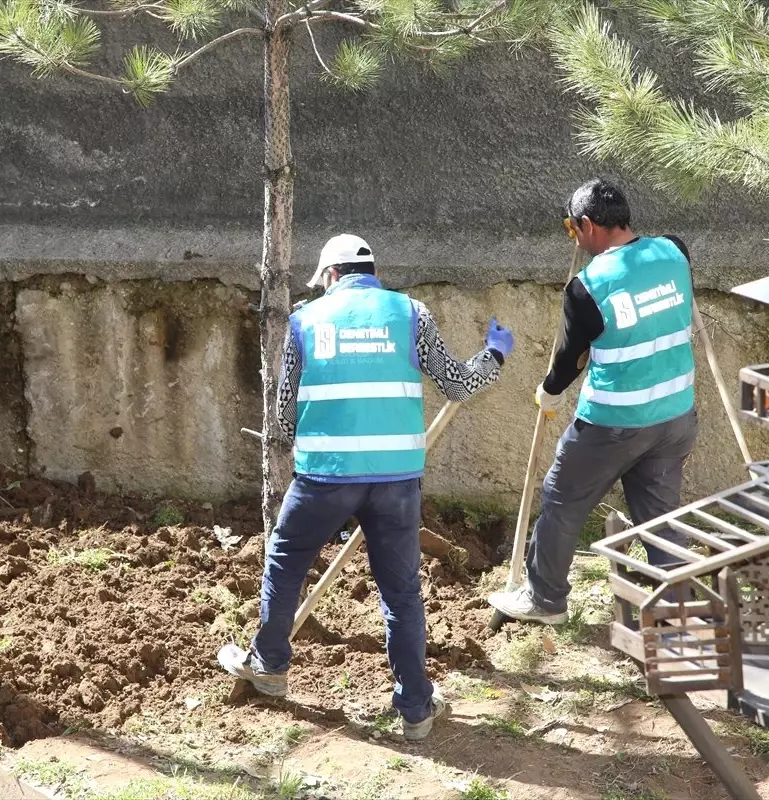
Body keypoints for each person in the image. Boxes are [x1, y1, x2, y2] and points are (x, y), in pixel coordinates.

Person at [218, 233, 513, 741]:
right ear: (372, 271)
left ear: (330, 275)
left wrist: (294, 441)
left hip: (324, 476)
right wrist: (494, 354)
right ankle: (417, 709)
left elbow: (284, 415)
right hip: (397, 479)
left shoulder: (304, 322)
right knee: (401, 594)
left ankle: (269, 664)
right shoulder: (411, 313)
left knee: (285, 563)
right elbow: (457, 384)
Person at [488, 178, 698, 625]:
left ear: (586, 224)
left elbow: (570, 360)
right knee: (659, 512)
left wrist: (548, 391)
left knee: (562, 498)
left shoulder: (587, 287)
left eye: (572, 229)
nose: (575, 239)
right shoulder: (675, 251)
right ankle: (678, 597)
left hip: (613, 423)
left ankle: (545, 600)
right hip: (676, 415)